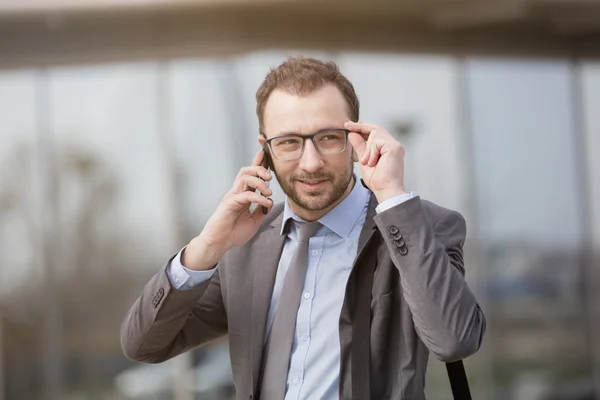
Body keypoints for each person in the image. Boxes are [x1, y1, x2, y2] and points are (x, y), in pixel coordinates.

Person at [120, 56, 486, 400]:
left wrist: (391, 195)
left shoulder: (420, 227)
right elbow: (143, 344)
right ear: (266, 151)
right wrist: (207, 246)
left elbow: (454, 339)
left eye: (327, 138)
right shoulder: (244, 248)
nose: (310, 163)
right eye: (290, 142)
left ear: (356, 141)